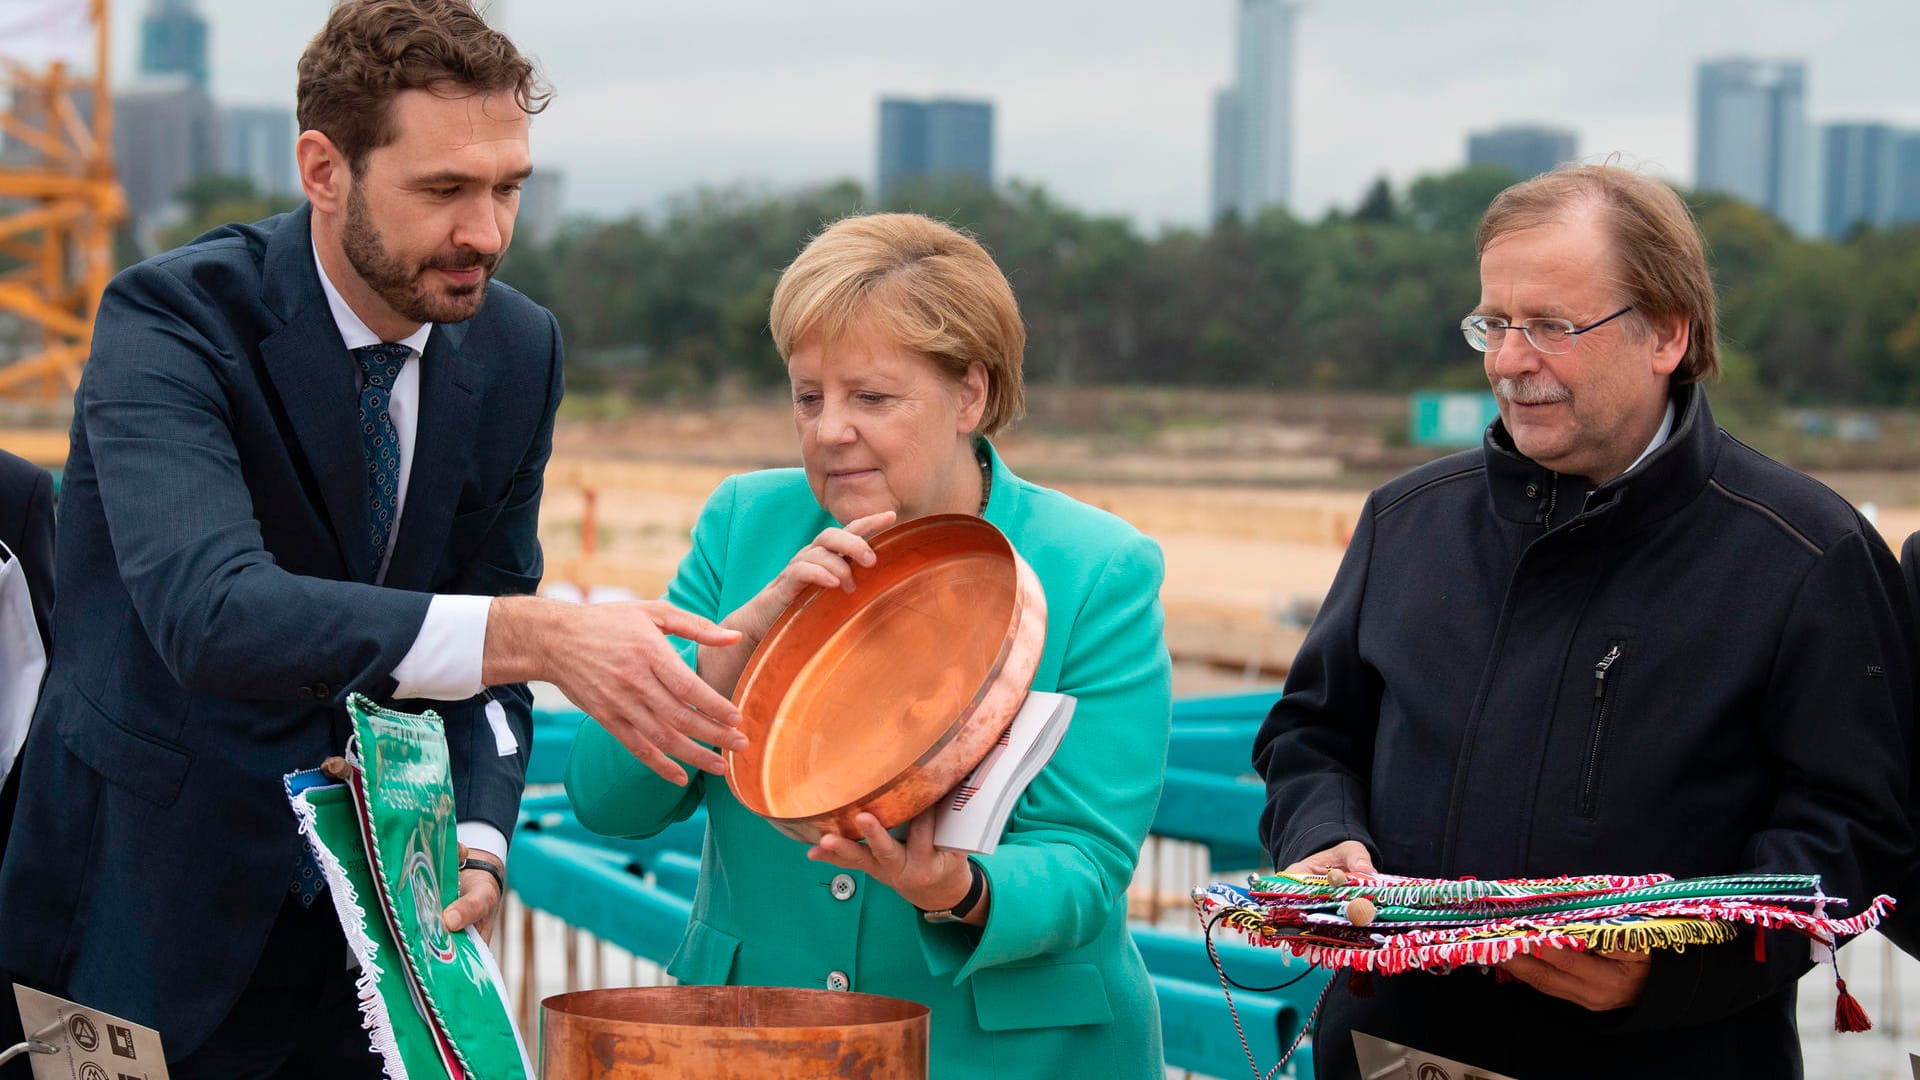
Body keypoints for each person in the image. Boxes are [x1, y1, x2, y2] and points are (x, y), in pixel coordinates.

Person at [0, 2, 741, 1075]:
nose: (484, 231)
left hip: (375, 945)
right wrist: (536, 637)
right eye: (443, 190)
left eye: (507, 188)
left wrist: (481, 836)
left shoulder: (520, 347)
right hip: (123, 917)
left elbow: (491, 615)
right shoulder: (168, 322)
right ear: (322, 167)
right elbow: (214, 615)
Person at [1252, 165, 1913, 1079]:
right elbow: (1310, 735)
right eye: (1494, 324)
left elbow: (1856, 832)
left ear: (1667, 334)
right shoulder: (1406, 521)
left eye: (1554, 326)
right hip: (1387, 1051)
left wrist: (1670, 969)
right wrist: (1318, 836)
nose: (1511, 360)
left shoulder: (1807, 553)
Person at [566, 212, 1174, 1079]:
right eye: (808, 396)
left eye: (872, 398)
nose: (828, 430)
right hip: (761, 1039)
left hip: (1008, 1053)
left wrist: (955, 889)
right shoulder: (746, 525)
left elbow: (1087, 861)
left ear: (971, 392)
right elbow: (605, 801)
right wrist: (732, 652)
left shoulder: (1096, 569)